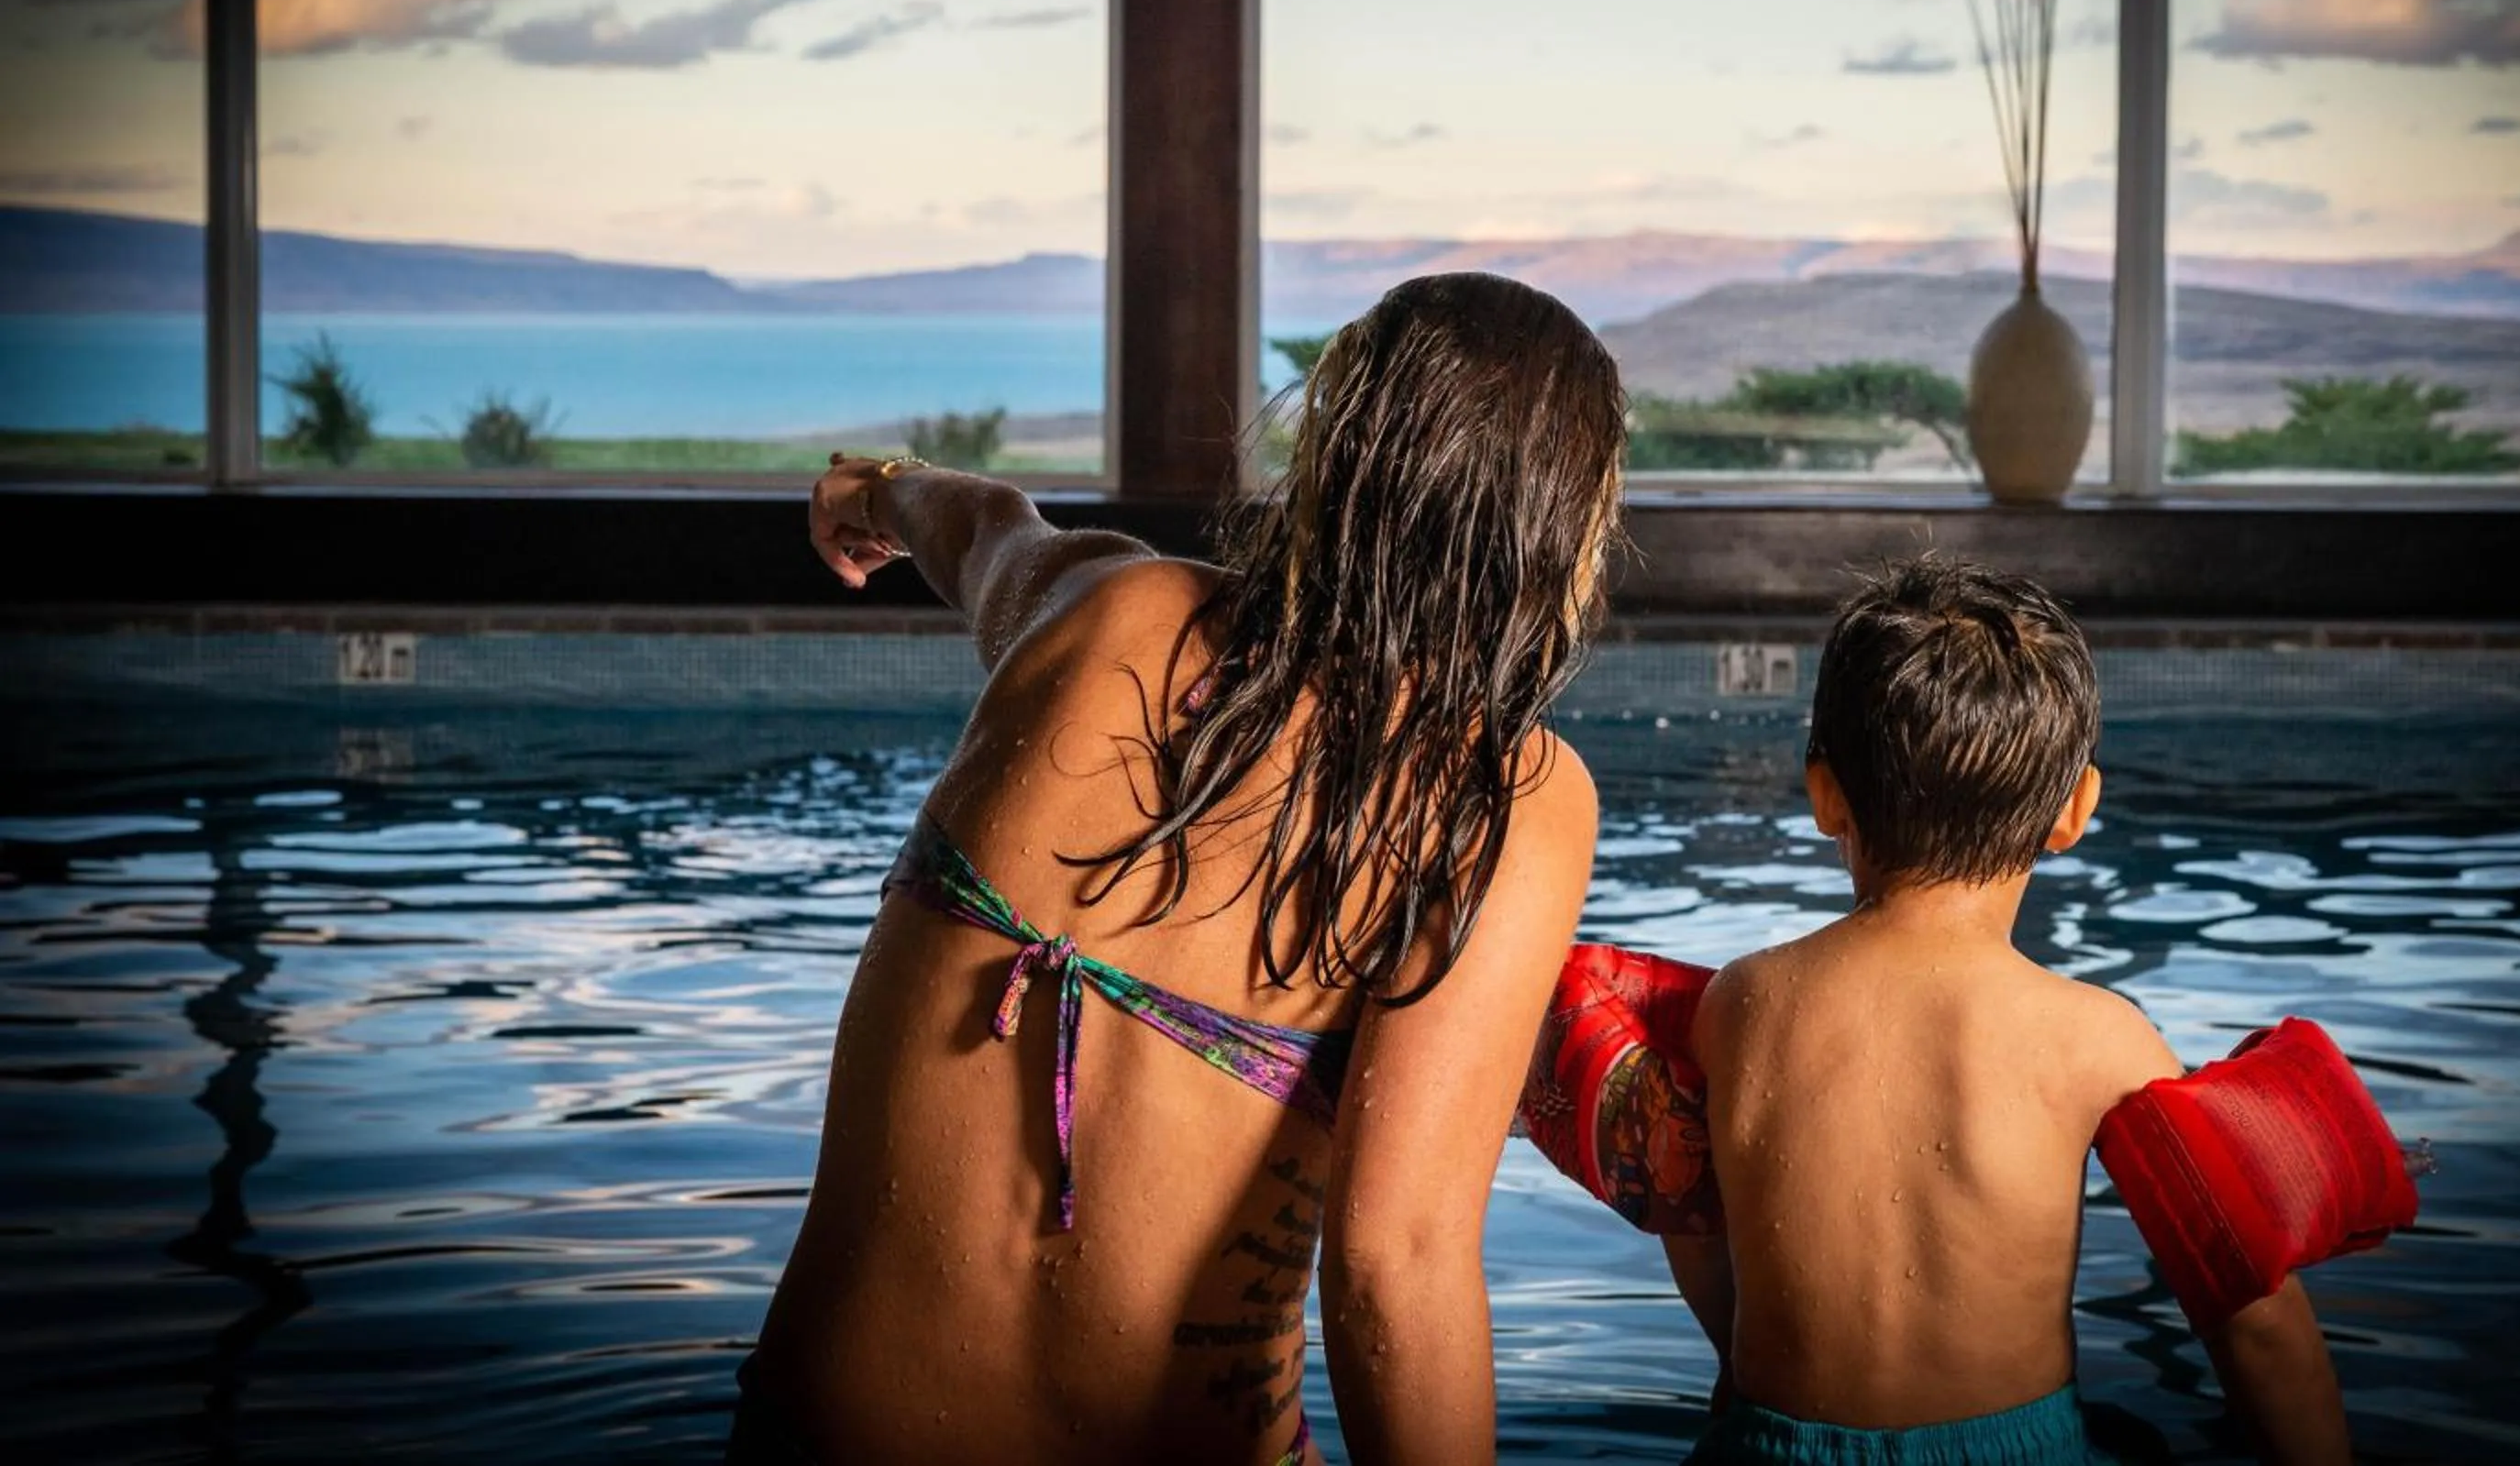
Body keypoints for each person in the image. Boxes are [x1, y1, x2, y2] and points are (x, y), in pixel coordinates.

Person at [737, 273, 1625, 1466]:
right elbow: (1394, 1264)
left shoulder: (1108, 610)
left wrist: (877, 490)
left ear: (1333, 453)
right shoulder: (1501, 798)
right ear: (1560, 524)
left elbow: (986, 529)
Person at [1669, 557, 2354, 1466]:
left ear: (1824, 792)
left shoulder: (1743, 1002)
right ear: (2075, 810)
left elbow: (1690, 1221)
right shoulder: (2097, 1037)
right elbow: (2251, 1315)